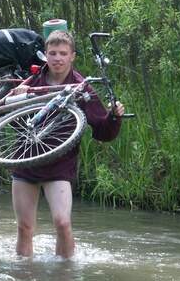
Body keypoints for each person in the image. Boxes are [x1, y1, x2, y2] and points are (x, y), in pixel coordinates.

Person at [9, 30, 125, 259]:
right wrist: (19, 97)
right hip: (26, 162)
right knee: (25, 228)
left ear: (72, 56)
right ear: (45, 56)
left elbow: (102, 131)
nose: (57, 58)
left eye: (63, 53)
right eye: (52, 53)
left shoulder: (82, 89)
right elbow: (10, 126)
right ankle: (23, 280)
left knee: (62, 223)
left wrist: (113, 116)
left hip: (59, 166)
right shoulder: (31, 82)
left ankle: (65, 278)